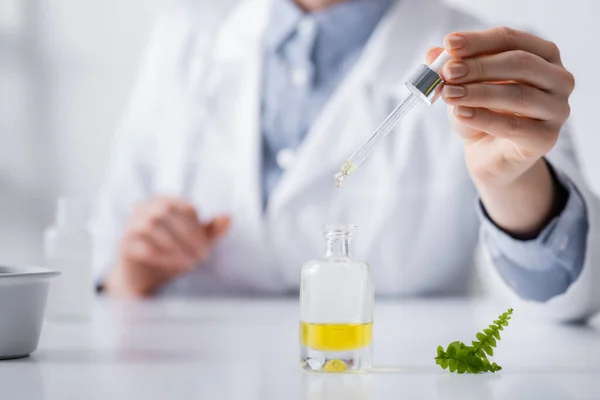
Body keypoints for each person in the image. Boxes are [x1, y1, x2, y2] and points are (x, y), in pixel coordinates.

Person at [91, 0, 600, 322]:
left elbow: (567, 303)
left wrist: (513, 182)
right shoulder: (186, 36)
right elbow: (102, 260)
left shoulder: (489, 61)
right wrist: (131, 273)